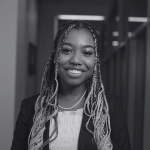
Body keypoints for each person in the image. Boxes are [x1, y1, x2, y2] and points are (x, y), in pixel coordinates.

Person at [11, 21, 131, 150]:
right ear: (55, 56)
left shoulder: (111, 108)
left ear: (95, 60)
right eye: (67, 50)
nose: (76, 60)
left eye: (87, 52)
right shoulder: (30, 108)